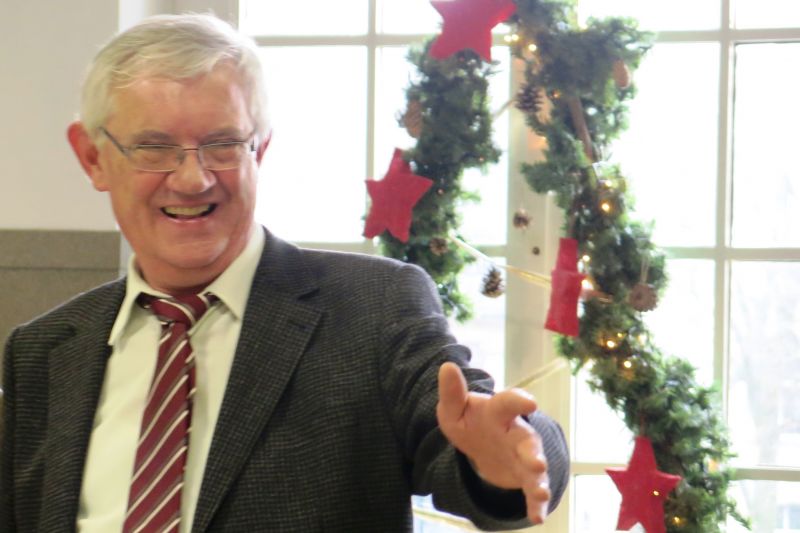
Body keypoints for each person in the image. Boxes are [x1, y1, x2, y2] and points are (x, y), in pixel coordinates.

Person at [0, 13, 568, 533]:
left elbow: (472, 426)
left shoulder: (373, 307)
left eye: (223, 144)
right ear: (93, 157)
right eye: (153, 147)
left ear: (260, 149)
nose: (193, 179)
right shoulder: (42, 352)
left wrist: (503, 457)